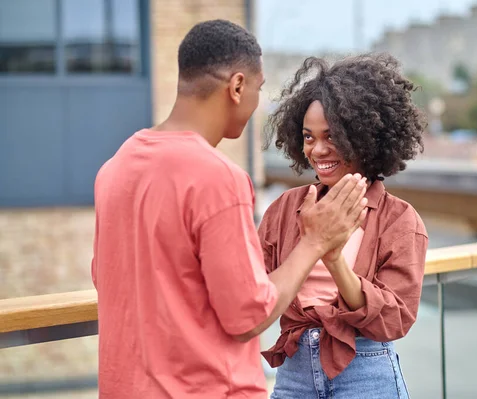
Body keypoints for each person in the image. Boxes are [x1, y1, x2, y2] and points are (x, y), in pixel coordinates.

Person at [91, 20, 368, 399]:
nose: (258, 102)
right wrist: (314, 241)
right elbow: (247, 315)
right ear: (237, 87)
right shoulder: (217, 177)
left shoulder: (115, 168)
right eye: (259, 87)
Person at [259, 54, 429, 398]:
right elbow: (250, 293)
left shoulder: (400, 220)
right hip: (293, 373)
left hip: (366, 372)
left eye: (332, 136)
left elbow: (396, 319)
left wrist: (335, 260)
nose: (318, 149)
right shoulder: (283, 210)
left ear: (365, 137)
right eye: (309, 137)